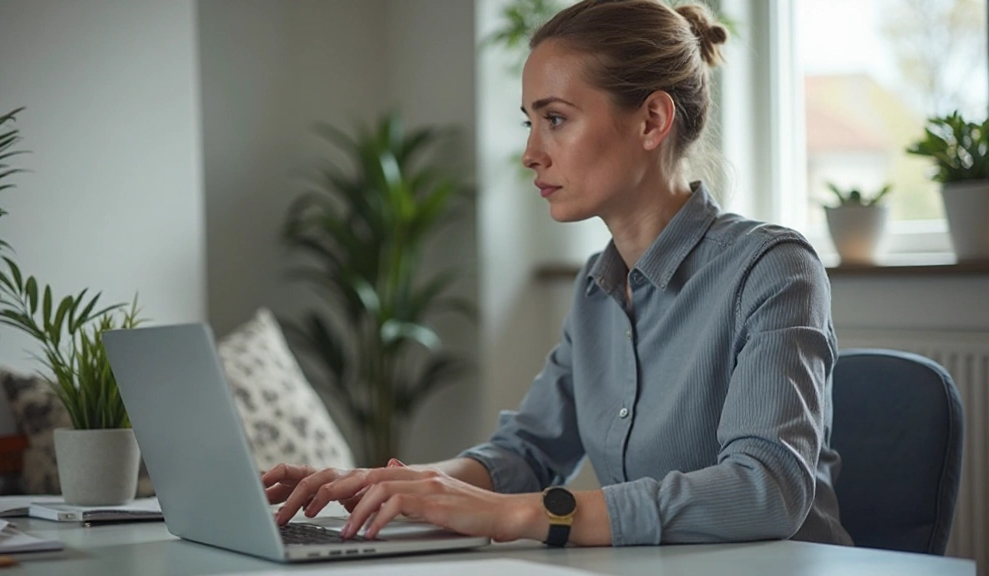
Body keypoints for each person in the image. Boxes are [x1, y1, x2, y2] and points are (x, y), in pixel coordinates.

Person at [261, 0, 854, 547]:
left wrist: (520, 514)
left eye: (556, 119)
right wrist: (395, 484)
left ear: (652, 120)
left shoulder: (773, 270)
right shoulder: (597, 289)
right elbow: (526, 452)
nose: (531, 152)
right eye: (530, 122)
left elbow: (766, 492)